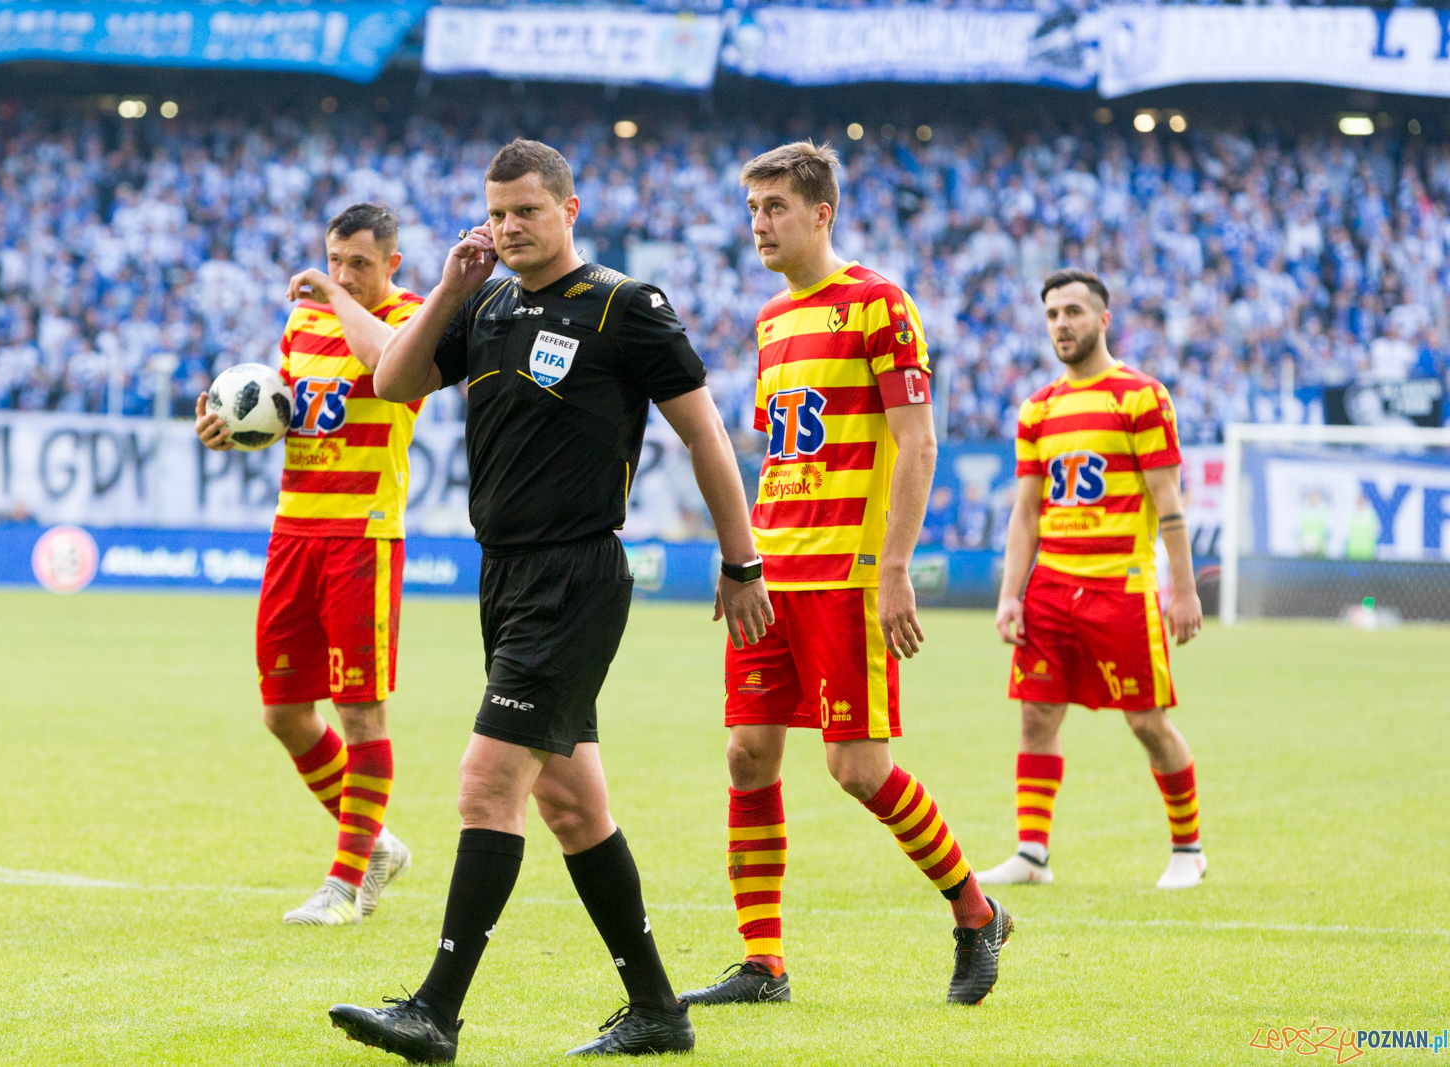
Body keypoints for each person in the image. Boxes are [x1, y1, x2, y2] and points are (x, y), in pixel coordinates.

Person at [328, 139, 772, 1062]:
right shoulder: (483, 300)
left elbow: (705, 435)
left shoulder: (625, 305)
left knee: (487, 782)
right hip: (506, 577)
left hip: (574, 575)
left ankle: (435, 1010)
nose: (509, 226)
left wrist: (741, 563)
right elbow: (392, 381)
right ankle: (657, 1008)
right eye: (497, 210)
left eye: (527, 209)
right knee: (574, 807)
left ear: (569, 210)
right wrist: (448, 287)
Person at [678, 141, 1012, 1012]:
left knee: (859, 768)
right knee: (748, 754)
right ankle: (762, 963)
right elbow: (776, 456)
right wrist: (742, 555)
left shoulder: (879, 304)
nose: (760, 224)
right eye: (753, 209)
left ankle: (975, 913)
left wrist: (894, 566)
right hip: (774, 576)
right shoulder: (771, 320)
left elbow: (918, 441)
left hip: (847, 577)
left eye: (776, 207)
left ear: (821, 213)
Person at [194, 204, 422, 925]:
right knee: (285, 711)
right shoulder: (303, 323)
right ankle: (377, 842)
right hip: (294, 532)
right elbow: (290, 414)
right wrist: (231, 431)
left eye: (360, 261)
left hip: (362, 537)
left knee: (360, 712)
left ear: (392, 265)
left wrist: (341, 297)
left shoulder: (413, 318)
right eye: (335, 258)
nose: (344, 273)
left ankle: (347, 884)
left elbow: (391, 368)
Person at [977, 268, 1208, 892]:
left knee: (1147, 723)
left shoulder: (1140, 396)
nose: (1062, 324)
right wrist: (1009, 595)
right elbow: (1026, 512)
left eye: (1074, 312)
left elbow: (1169, 503)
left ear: (1103, 320)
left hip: (1119, 588)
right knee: (1036, 717)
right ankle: (1031, 854)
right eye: (1053, 314)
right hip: (1050, 589)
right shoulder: (1039, 407)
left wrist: (1182, 590)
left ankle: (1188, 848)